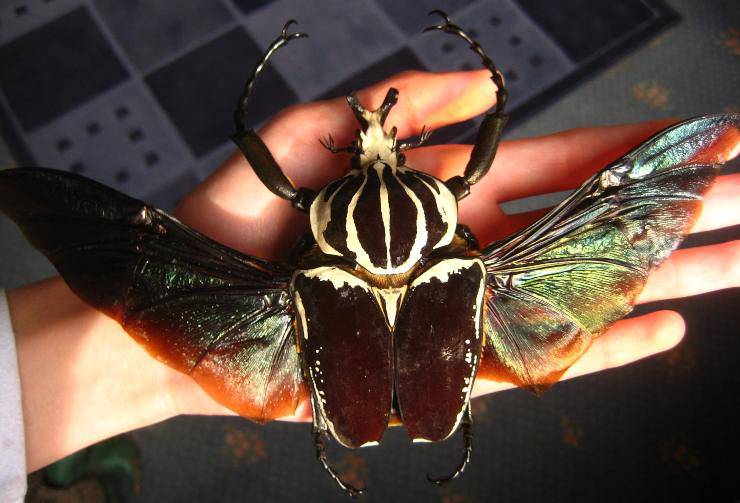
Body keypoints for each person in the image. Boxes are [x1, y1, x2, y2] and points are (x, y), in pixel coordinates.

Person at [1, 70, 738, 501]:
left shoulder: (314, 234)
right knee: (613, 204)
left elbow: (148, 258)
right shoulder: (474, 258)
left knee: (139, 243)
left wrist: (245, 130)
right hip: (413, 376)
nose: (378, 148)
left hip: (341, 372)